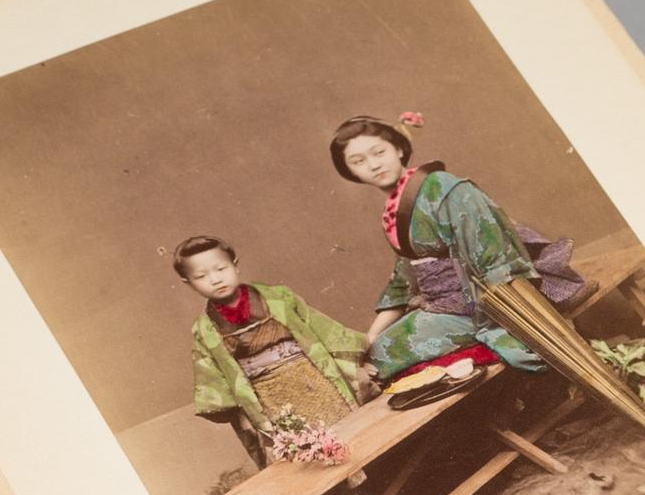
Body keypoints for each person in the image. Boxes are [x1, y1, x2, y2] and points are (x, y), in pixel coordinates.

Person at [327, 115, 585, 387]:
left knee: (380, 360)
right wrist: (370, 337)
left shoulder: (444, 188)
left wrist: (496, 321)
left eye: (379, 152)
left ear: (399, 149)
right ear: (350, 172)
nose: (373, 164)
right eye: (358, 161)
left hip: (481, 303)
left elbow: (494, 258)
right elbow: (403, 283)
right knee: (370, 354)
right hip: (445, 304)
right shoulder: (393, 212)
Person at [177, 234, 367, 462]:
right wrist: (241, 414)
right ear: (189, 284)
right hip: (268, 399)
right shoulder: (204, 329)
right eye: (201, 276)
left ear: (235, 266)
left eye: (221, 269)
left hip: (314, 380)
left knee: (350, 437)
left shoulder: (279, 297)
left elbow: (324, 331)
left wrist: (356, 367)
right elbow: (214, 378)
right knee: (305, 455)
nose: (215, 279)